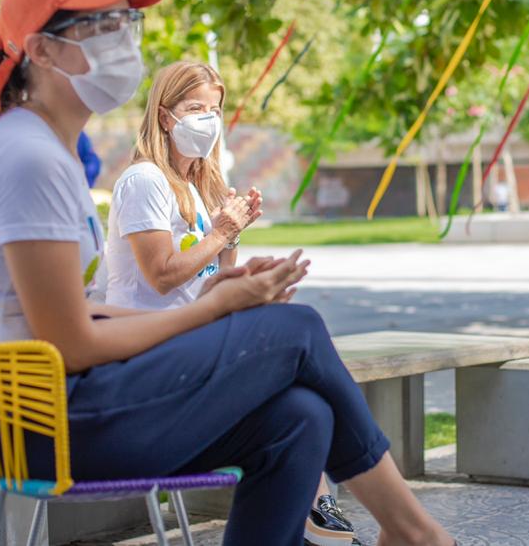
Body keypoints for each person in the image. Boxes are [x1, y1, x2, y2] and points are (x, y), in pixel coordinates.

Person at [0, 0, 454, 546]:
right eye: (99, 26)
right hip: (38, 424)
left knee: (301, 419)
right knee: (297, 330)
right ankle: (415, 533)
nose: (121, 40)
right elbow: (70, 342)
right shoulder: (29, 156)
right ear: (39, 51)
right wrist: (211, 311)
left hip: (49, 409)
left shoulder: (38, 148)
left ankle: (408, 532)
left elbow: (75, 313)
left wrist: (216, 295)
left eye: (126, 23)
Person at [104, 61, 362, 545]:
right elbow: (161, 277)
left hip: (190, 338)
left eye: (215, 109)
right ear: (165, 117)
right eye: (194, 108)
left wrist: (239, 258)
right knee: (298, 340)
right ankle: (324, 506)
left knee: (296, 369)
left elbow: (214, 287)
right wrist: (222, 231)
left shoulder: (200, 189)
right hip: (149, 349)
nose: (208, 119)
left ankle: (313, 507)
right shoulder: (144, 182)